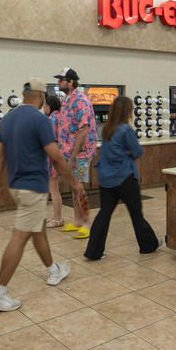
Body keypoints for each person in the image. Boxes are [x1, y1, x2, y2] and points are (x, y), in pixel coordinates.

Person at [0, 77, 84, 312]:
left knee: (37, 229)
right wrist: (75, 181)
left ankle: (53, 270)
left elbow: (0, 156)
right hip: (33, 187)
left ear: (23, 93)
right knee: (20, 237)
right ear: (41, 96)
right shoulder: (41, 120)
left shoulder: (7, 119)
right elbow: (56, 157)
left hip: (15, 186)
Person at [84, 96, 161, 260]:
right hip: (125, 178)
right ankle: (148, 246)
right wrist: (128, 152)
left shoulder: (107, 129)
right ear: (127, 111)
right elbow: (138, 152)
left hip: (107, 180)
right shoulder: (125, 129)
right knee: (136, 214)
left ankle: (93, 251)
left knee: (104, 214)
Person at [54, 67, 97, 239]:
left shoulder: (80, 100)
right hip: (69, 152)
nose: (59, 83)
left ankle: (87, 223)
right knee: (74, 186)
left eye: (61, 80)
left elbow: (83, 129)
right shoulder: (67, 99)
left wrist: (74, 155)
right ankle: (78, 220)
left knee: (80, 188)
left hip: (81, 153)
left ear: (70, 82)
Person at [44, 95, 64, 228]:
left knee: (53, 189)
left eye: (44, 105)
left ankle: (57, 218)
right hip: (58, 156)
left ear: (49, 106)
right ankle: (56, 216)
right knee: (54, 188)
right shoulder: (59, 117)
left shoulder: (51, 119)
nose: (43, 107)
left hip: (53, 157)